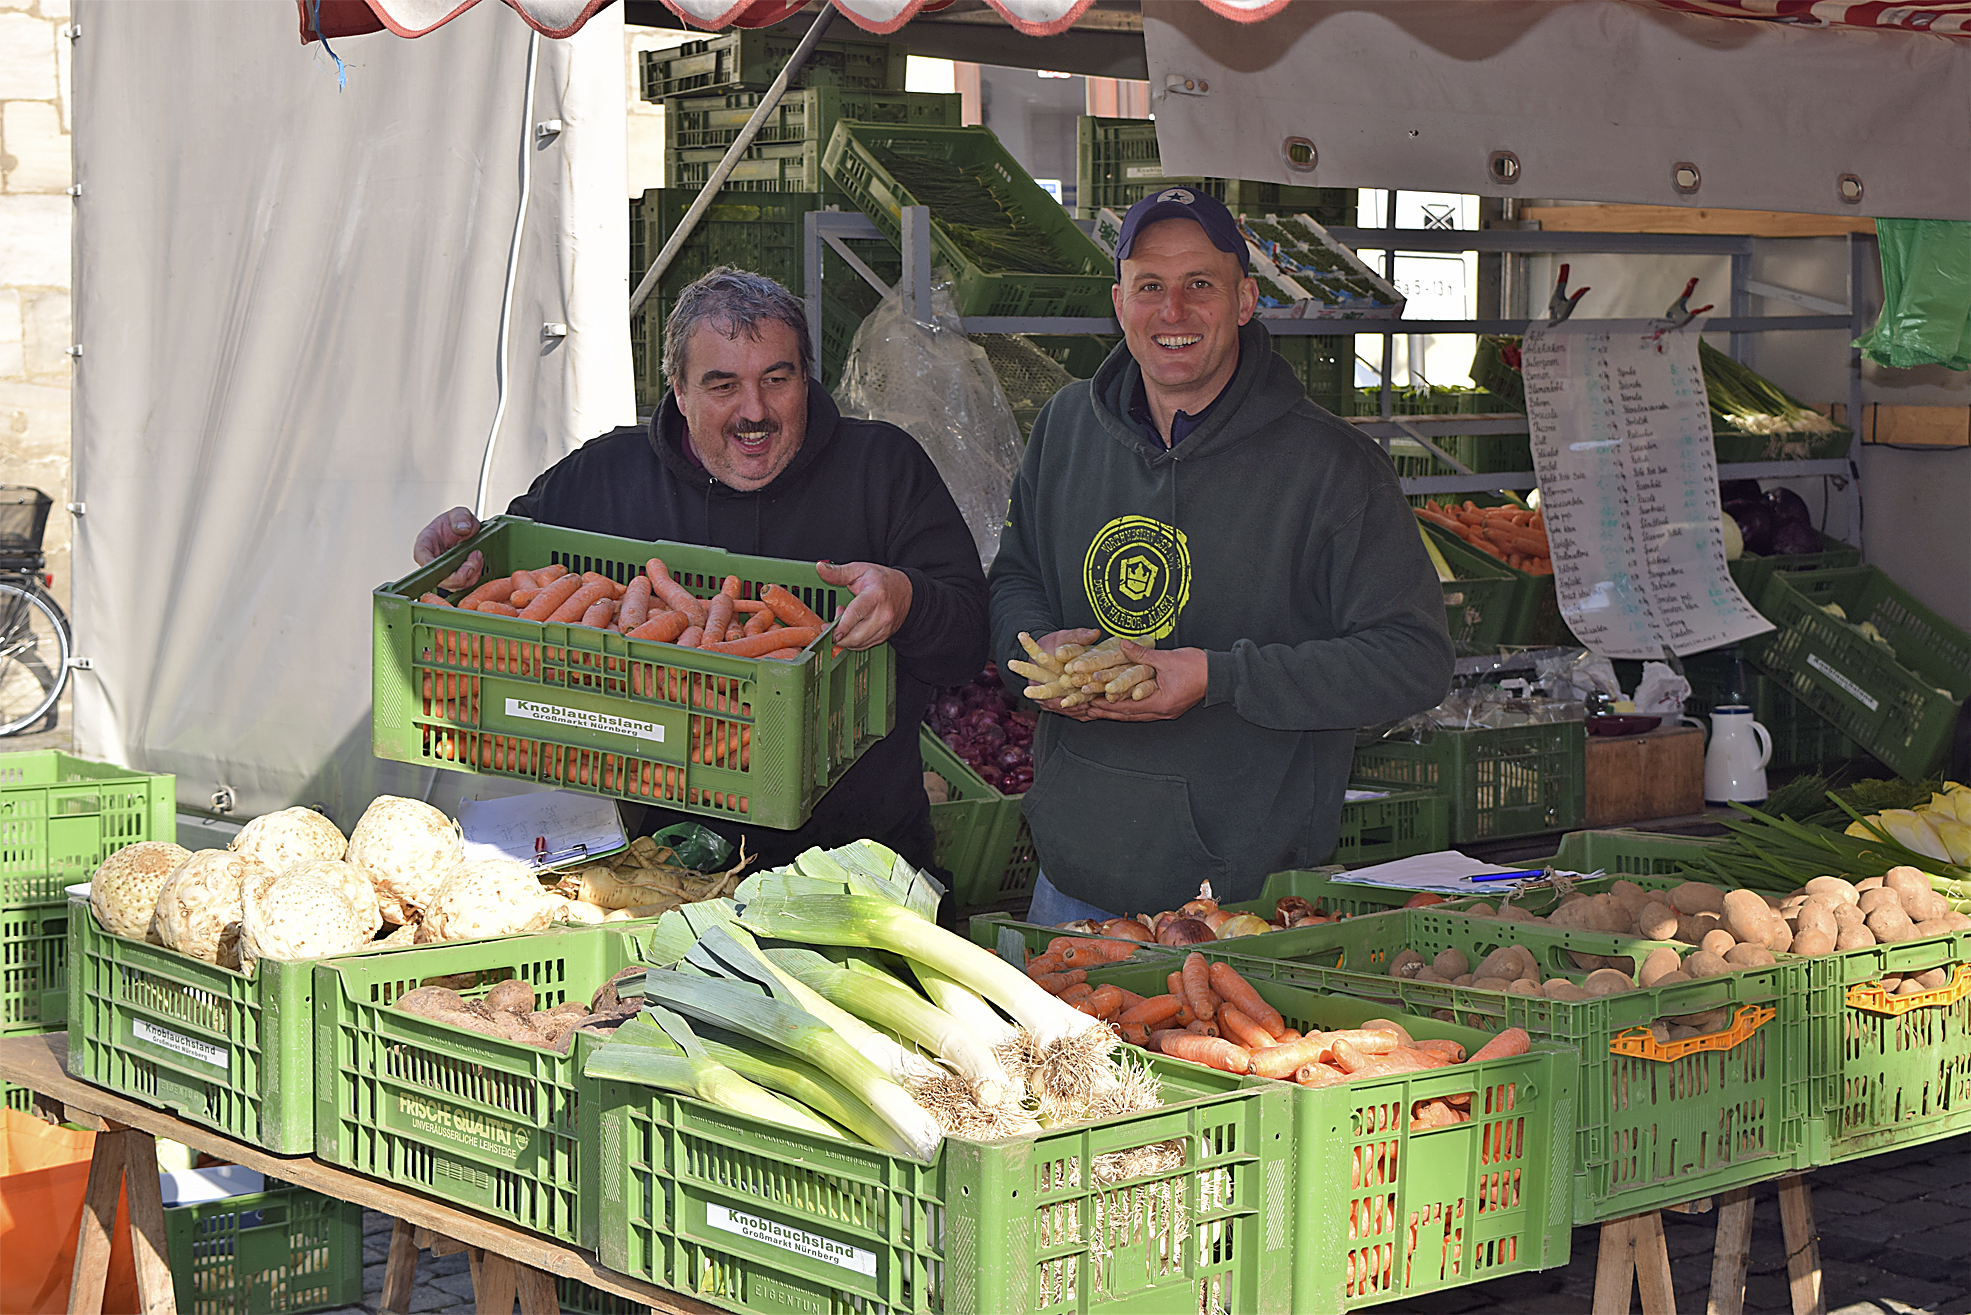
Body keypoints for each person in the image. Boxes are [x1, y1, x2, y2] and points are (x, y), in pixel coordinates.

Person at [415, 267, 988, 873]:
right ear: (679, 392)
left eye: (777, 379)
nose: (755, 410)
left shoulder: (883, 470)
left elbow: (968, 642)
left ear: (805, 377)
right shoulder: (606, 478)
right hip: (657, 867)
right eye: (722, 386)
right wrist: (463, 569)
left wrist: (909, 599)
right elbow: (508, 574)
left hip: (860, 865)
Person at [987, 188, 1455, 923]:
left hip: (1242, 902)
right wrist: (1037, 646)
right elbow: (1014, 575)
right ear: (1118, 303)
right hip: (1069, 882)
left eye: (1199, 284)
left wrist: (1218, 676)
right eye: (1150, 286)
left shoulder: (1330, 466)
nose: (1171, 311)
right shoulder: (1065, 427)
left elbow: (1412, 658)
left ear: (1244, 299)